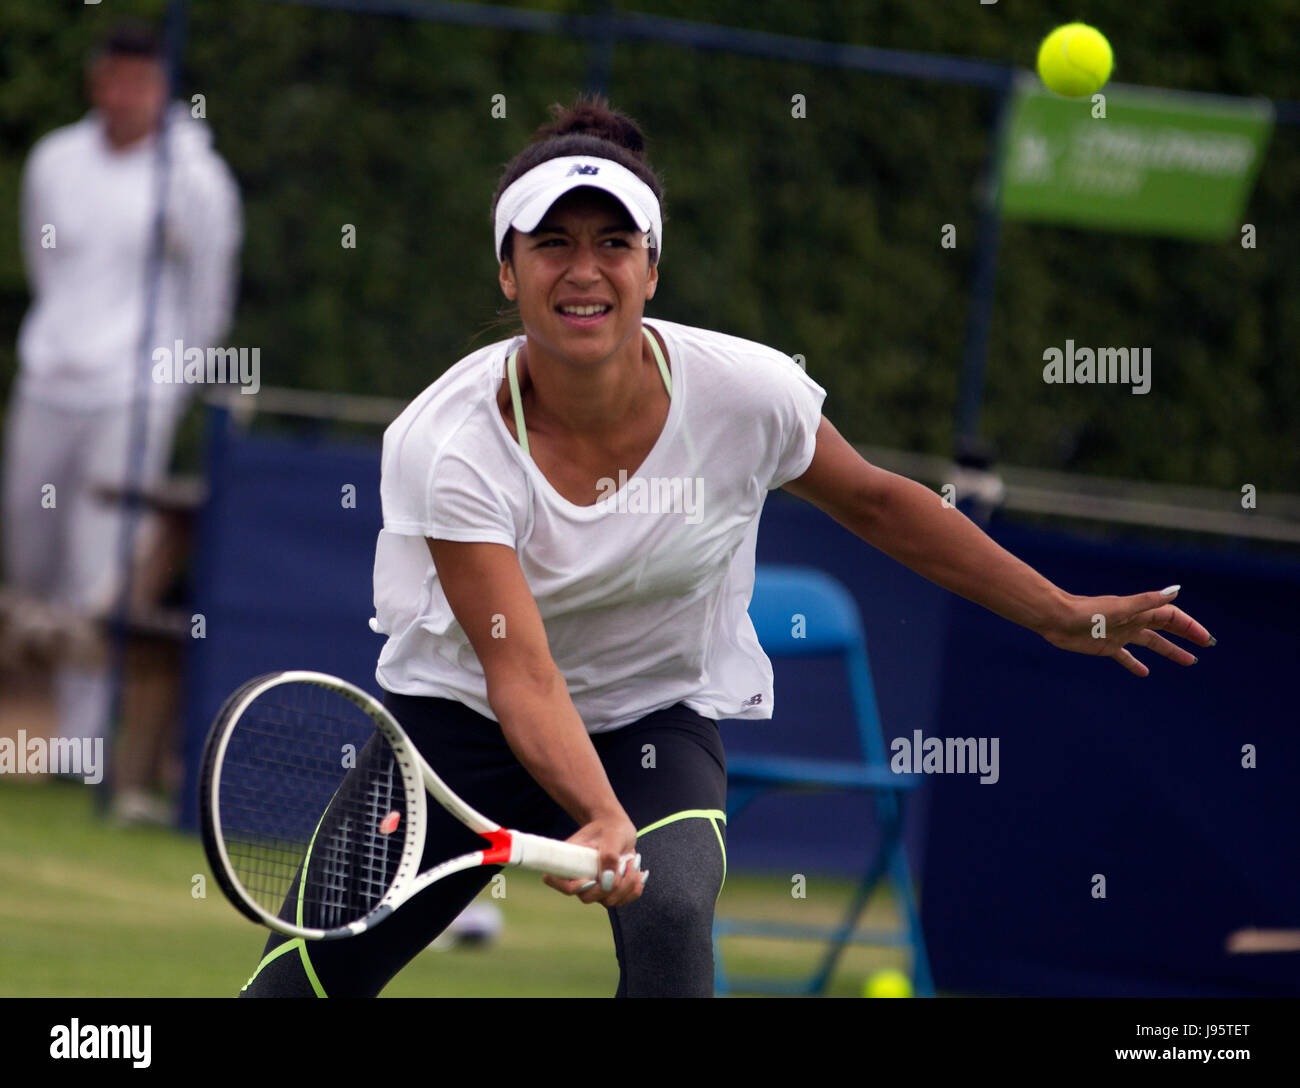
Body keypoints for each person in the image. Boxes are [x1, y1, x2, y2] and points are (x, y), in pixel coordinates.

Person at [240, 95, 1211, 998]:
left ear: (652, 269)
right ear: (507, 269)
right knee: (302, 988)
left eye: (613, 242)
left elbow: (876, 502)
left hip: (649, 719)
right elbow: (521, 672)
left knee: (668, 914)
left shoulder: (749, 393)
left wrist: (1057, 610)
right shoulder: (445, 441)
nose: (584, 269)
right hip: (457, 728)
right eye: (552, 244)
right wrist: (595, 812)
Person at [1, 22, 242, 763]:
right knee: (29, 558)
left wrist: (165, 386)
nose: (124, 96)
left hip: (131, 395)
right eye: (112, 80)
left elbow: (208, 297)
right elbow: (44, 265)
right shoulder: (55, 161)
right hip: (48, 383)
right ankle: (24, 733)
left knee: (97, 569)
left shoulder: (196, 179)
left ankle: (79, 751)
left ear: (162, 88)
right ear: (95, 83)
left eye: (139, 83)